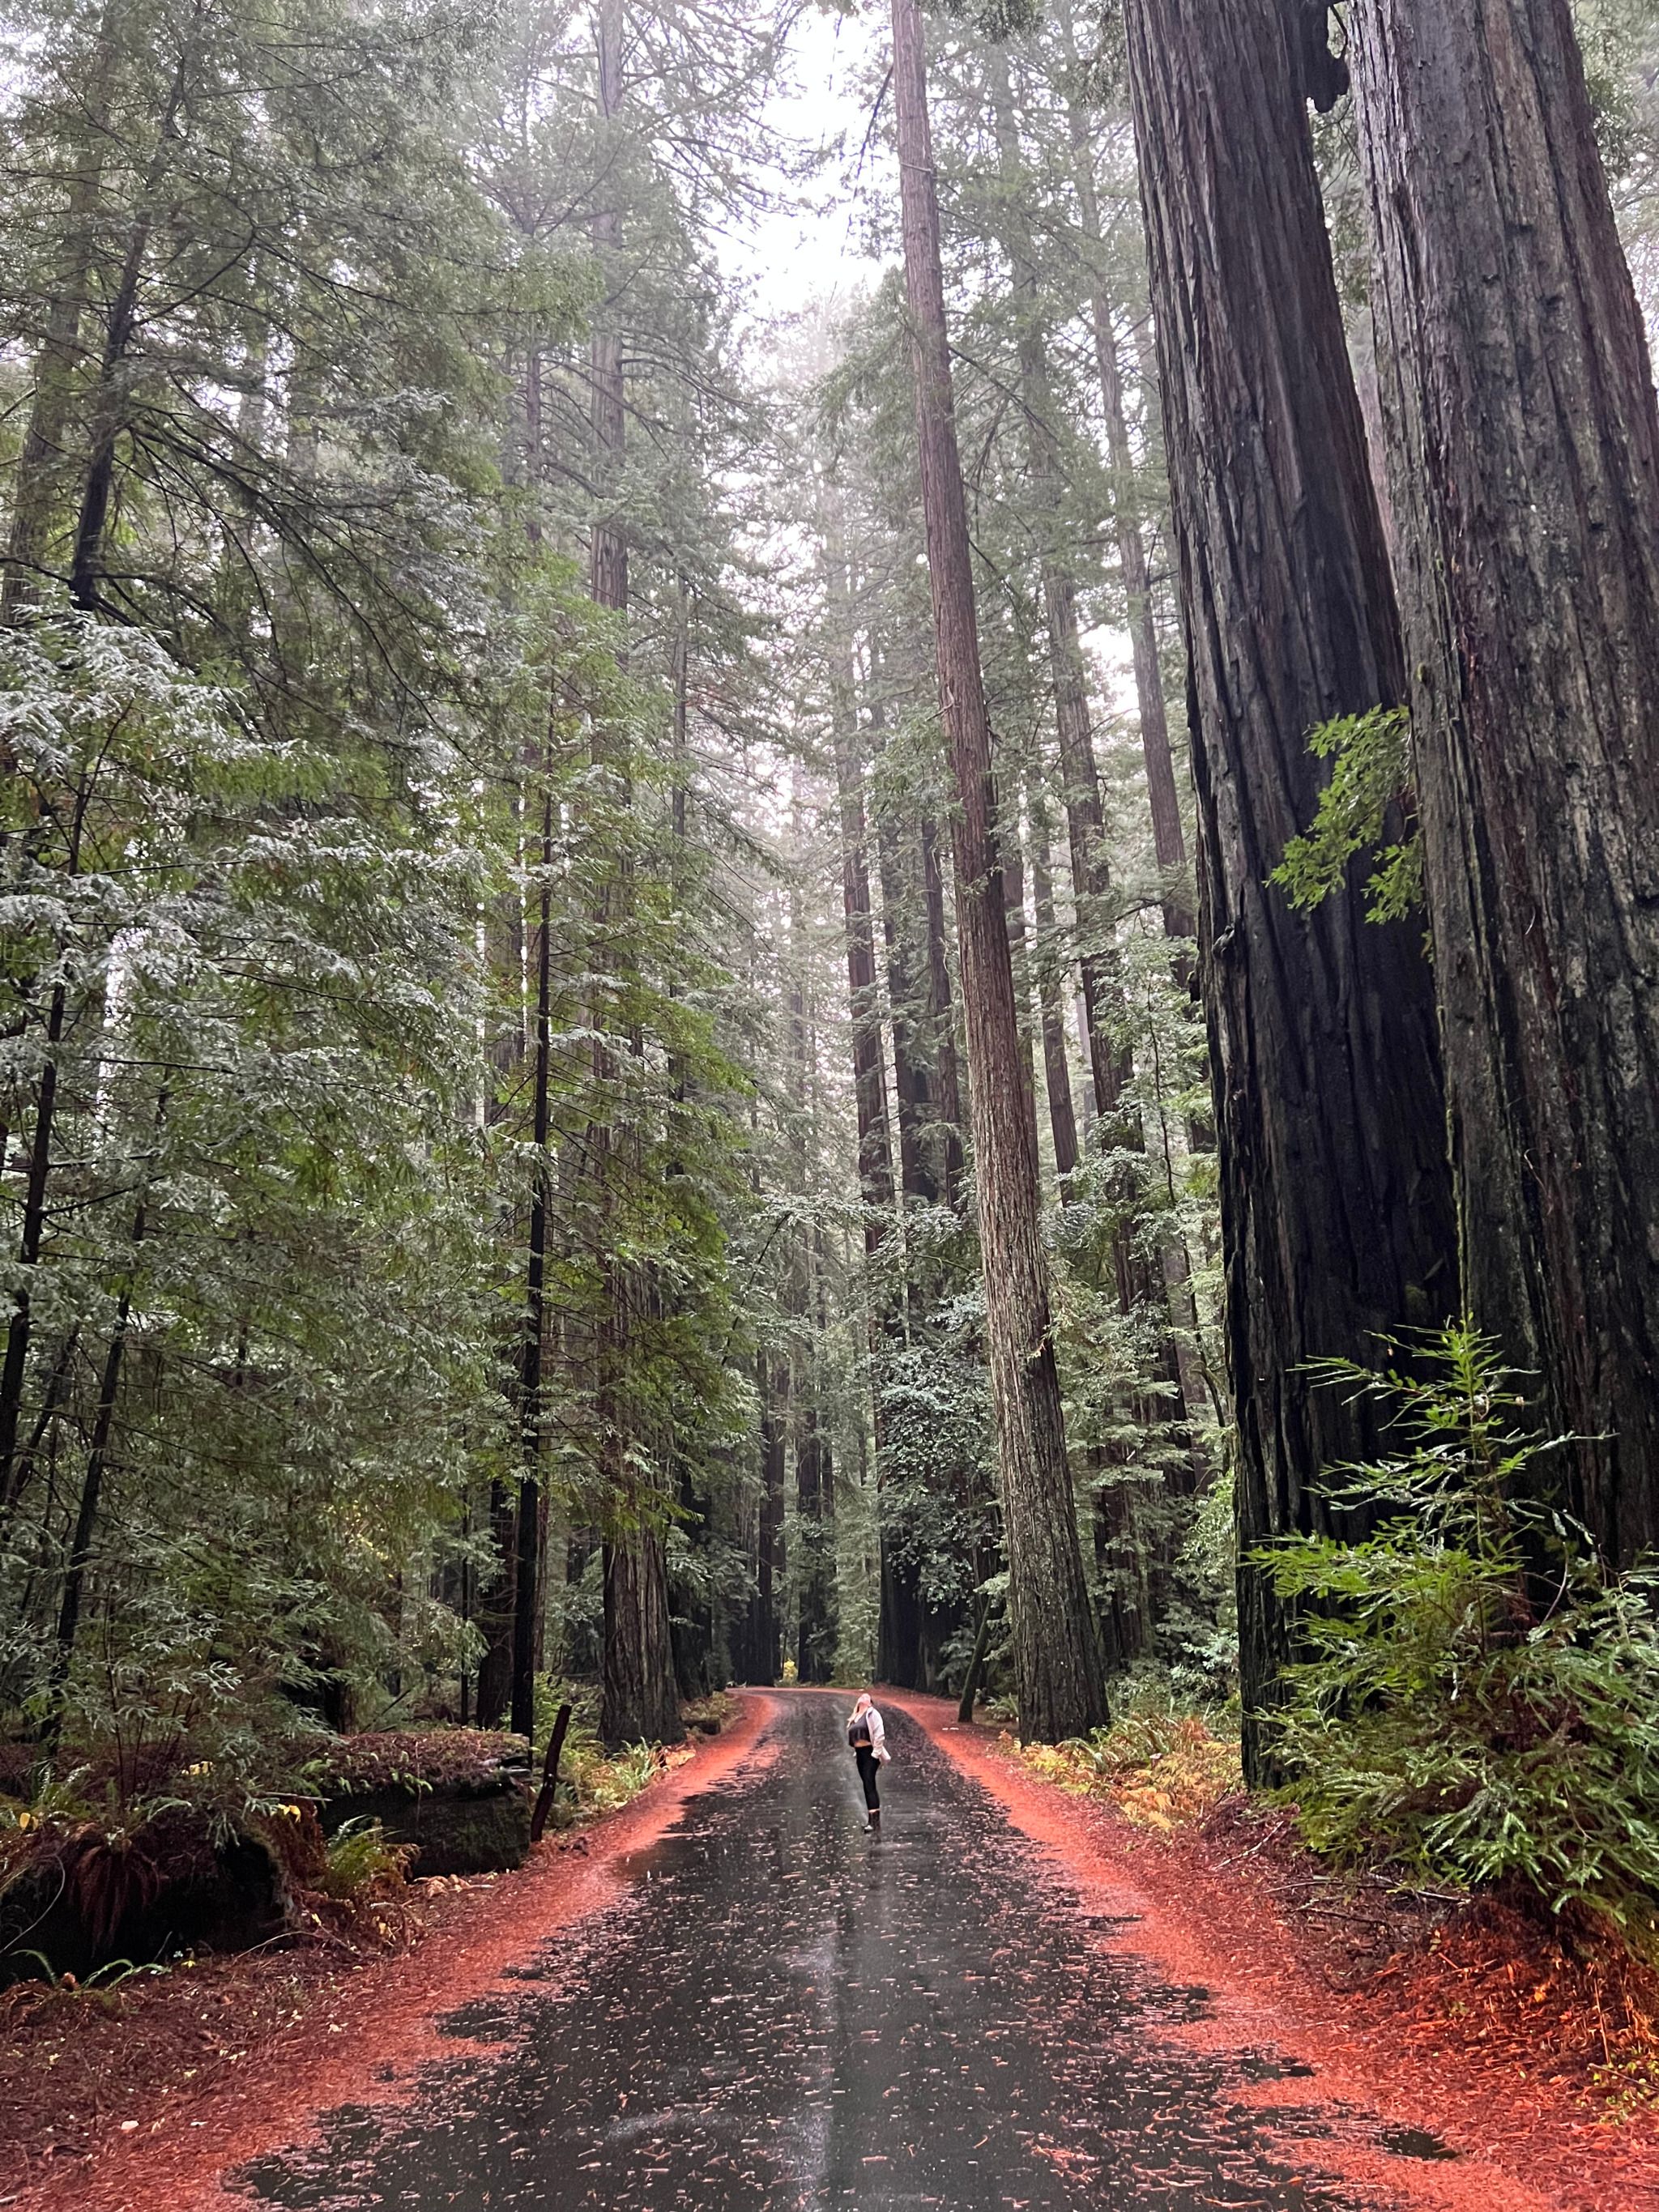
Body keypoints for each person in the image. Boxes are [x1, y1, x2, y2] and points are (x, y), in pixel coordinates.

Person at [847, 1691, 889, 1832]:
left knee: (870, 1784)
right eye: (862, 1696)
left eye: (867, 1697)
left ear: (870, 1703)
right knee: (866, 1785)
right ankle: (871, 1820)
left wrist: (875, 1754)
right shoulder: (855, 1717)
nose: (864, 1697)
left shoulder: (872, 1714)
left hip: (870, 1753)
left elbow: (879, 1733)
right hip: (860, 1755)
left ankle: (875, 1824)